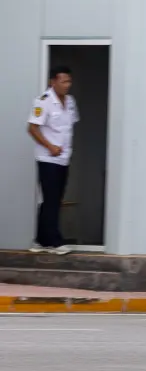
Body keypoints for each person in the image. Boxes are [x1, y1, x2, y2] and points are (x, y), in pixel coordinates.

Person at [26, 66, 77, 254]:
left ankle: (41, 240)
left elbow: (68, 128)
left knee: (53, 199)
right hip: (48, 158)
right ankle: (55, 242)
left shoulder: (70, 102)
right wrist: (50, 146)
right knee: (52, 199)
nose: (67, 85)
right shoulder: (43, 102)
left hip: (63, 158)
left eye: (69, 81)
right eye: (63, 81)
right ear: (53, 82)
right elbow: (32, 128)